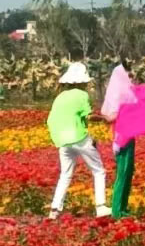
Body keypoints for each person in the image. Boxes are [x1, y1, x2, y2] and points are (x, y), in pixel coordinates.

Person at [46, 62, 111, 219]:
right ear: (82, 82)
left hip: (63, 141)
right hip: (79, 138)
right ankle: (101, 207)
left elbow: (51, 120)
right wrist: (104, 119)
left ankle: (54, 210)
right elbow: (88, 116)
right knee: (98, 171)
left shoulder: (60, 97)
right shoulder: (82, 95)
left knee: (65, 174)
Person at [100, 60, 137, 219]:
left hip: (129, 135)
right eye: (128, 73)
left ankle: (123, 207)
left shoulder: (126, 93)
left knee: (127, 172)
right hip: (123, 138)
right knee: (123, 173)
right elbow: (112, 116)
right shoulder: (120, 94)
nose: (131, 76)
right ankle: (117, 210)